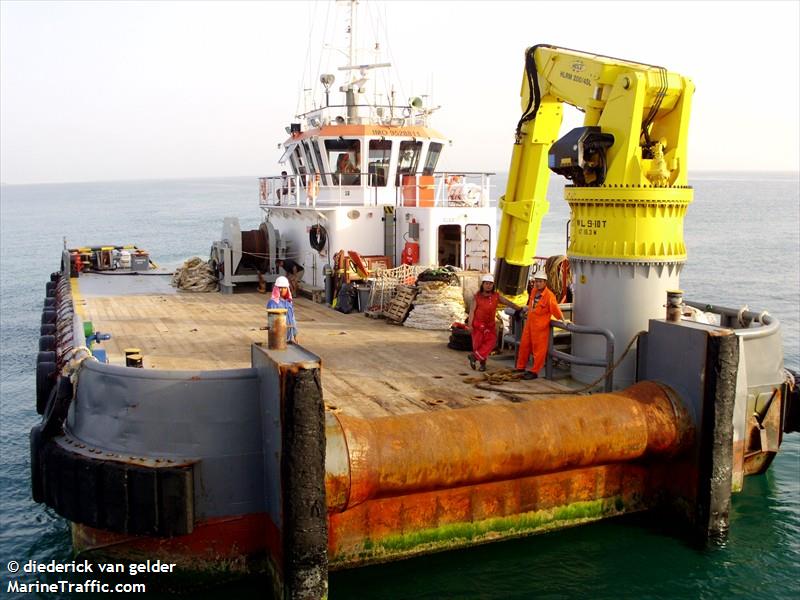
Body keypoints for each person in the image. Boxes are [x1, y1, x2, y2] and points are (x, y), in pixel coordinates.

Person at [466, 273, 521, 372]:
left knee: (491, 343)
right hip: (478, 325)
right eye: (486, 283)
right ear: (482, 284)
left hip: (490, 325)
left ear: (493, 285)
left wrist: (519, 308)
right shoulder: (477, 297)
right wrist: (469, 325)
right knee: (478, 345)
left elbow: (508, 302)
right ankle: (482, 364)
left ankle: (474, 357)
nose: (488, 285)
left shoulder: (496, 296)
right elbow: (472, 312)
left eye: (490, 284)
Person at [515, 270, 564, 380]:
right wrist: (524, 309)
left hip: (540, 328)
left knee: (539, 350)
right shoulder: (533, 291)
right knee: (524, 345)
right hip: (529, 324)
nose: (538, 283)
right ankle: (520, 367)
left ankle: (534, 371)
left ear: (545, 282)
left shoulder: (549, 296)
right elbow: (531, 305)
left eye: (540, 281)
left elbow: (555, 309)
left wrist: (563, 320)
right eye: (536, 281)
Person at [267, 276, 298, 343]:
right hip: (278, 339)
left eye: (284, 288)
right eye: (280, 288)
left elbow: (293, 319)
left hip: (289, 338)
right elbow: (272, 322)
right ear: (276, 289)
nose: (282, 290)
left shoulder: (289, 302)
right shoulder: (273, 303)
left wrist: (295, 335)